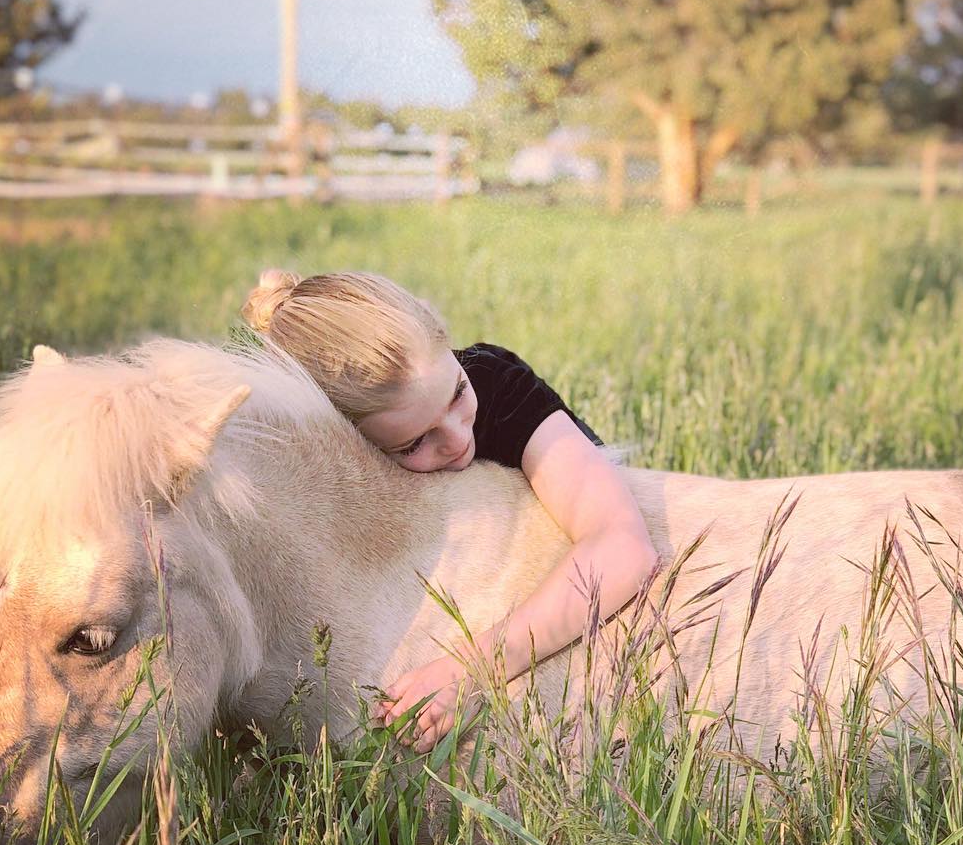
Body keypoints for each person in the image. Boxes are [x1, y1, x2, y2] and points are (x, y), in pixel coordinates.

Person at [241, 268, 657, 752]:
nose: (460, 440)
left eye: (457, 393)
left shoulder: (497, 387)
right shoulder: (333, 471)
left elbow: (624, 547)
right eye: (415, 443)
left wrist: (469, 670)